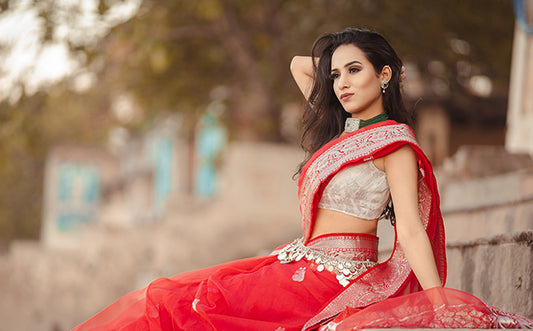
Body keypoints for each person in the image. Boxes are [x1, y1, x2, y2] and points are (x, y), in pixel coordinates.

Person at [73, 27, 532, 331]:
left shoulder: (394, 144)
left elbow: (410, 229)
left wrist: (438, 303)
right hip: (295, 263)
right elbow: (299, 64)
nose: (342, 83)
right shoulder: (339, 133)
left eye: (356, 71)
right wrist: (344, 52)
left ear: (386, 75)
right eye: (335, 75)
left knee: (196, 308)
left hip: (336, 278)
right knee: (176, 299)